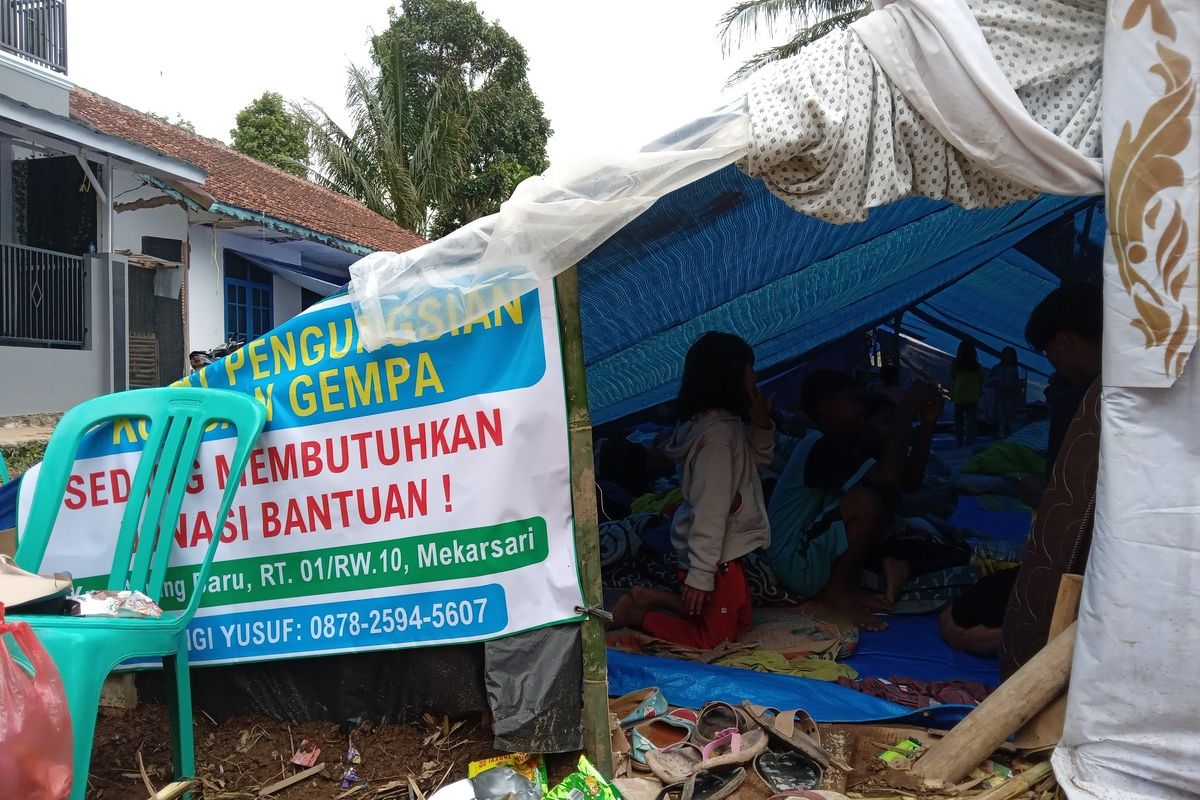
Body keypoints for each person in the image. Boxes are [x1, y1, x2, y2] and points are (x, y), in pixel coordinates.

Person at [609, 332, 774, 649]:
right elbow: (710, 511)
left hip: (728, 555)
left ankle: (653, 597)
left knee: (740, 623)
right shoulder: (716, 439)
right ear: (730, 376)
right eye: (750, 368)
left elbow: (758, 463)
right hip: (717, 558)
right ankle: (637, 614)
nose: (755, 376)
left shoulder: (725, 426)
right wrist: (701, 573)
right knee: (713, 640)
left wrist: (761, 426)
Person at [765, 370, 942, 629]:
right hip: (791, 562)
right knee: (865, 502)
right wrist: (907, 408)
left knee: (885, 497)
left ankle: (845, 586)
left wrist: (927, 424)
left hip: (805, 557)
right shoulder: (820, 445)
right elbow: (890, 475)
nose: (859, 409)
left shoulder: (844, 444)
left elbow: (908, 484)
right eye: (852, 401)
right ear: (827, 407)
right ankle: (836, 594)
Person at [950, 341, 987, 447]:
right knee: (971, 421)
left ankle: (959, 441)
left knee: (959, 421)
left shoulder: (956, 365)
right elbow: (982, 378)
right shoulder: (976, 367)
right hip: (972, 397)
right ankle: (969, 441)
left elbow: (952, 375)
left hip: (959, 396)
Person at [987, 347, 1023, 438]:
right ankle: (994, 435)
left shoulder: (1014, 370)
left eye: (1009, 355)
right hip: (997, 396)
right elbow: (988, 381)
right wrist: (992, 382)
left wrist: (1017, 397)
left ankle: (1006, 436)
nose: (1006, 357)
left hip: (1009, 398)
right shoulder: (996, 368)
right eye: (1005, 354)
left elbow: (1016, 385)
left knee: (1007, 418)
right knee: (995, 417)